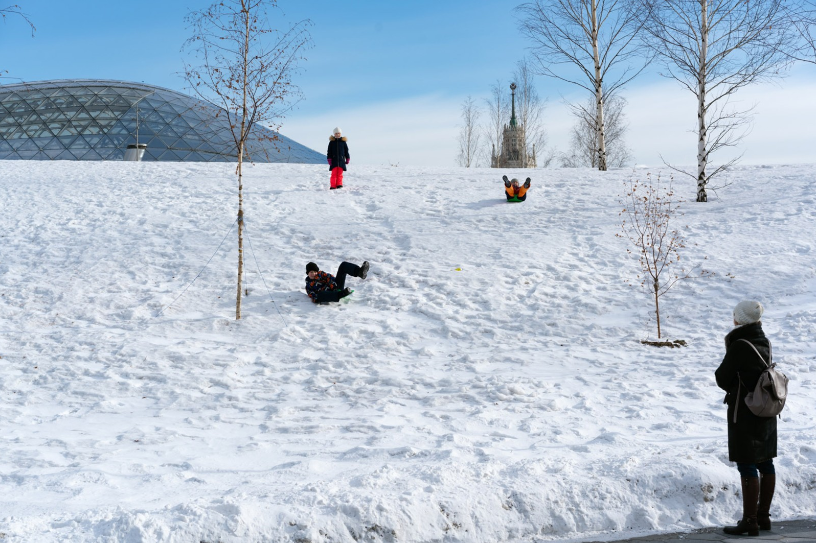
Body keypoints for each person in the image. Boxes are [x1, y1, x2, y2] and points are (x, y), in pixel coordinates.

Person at [715, 300, 777, 536]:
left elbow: (722, 377)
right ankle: (763, 518)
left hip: (745, 411)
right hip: (766, 409)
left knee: (747, 463)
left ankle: (749, 521)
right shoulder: (765, 341)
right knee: (766, 461)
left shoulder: (740, 344)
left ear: (740, 319)